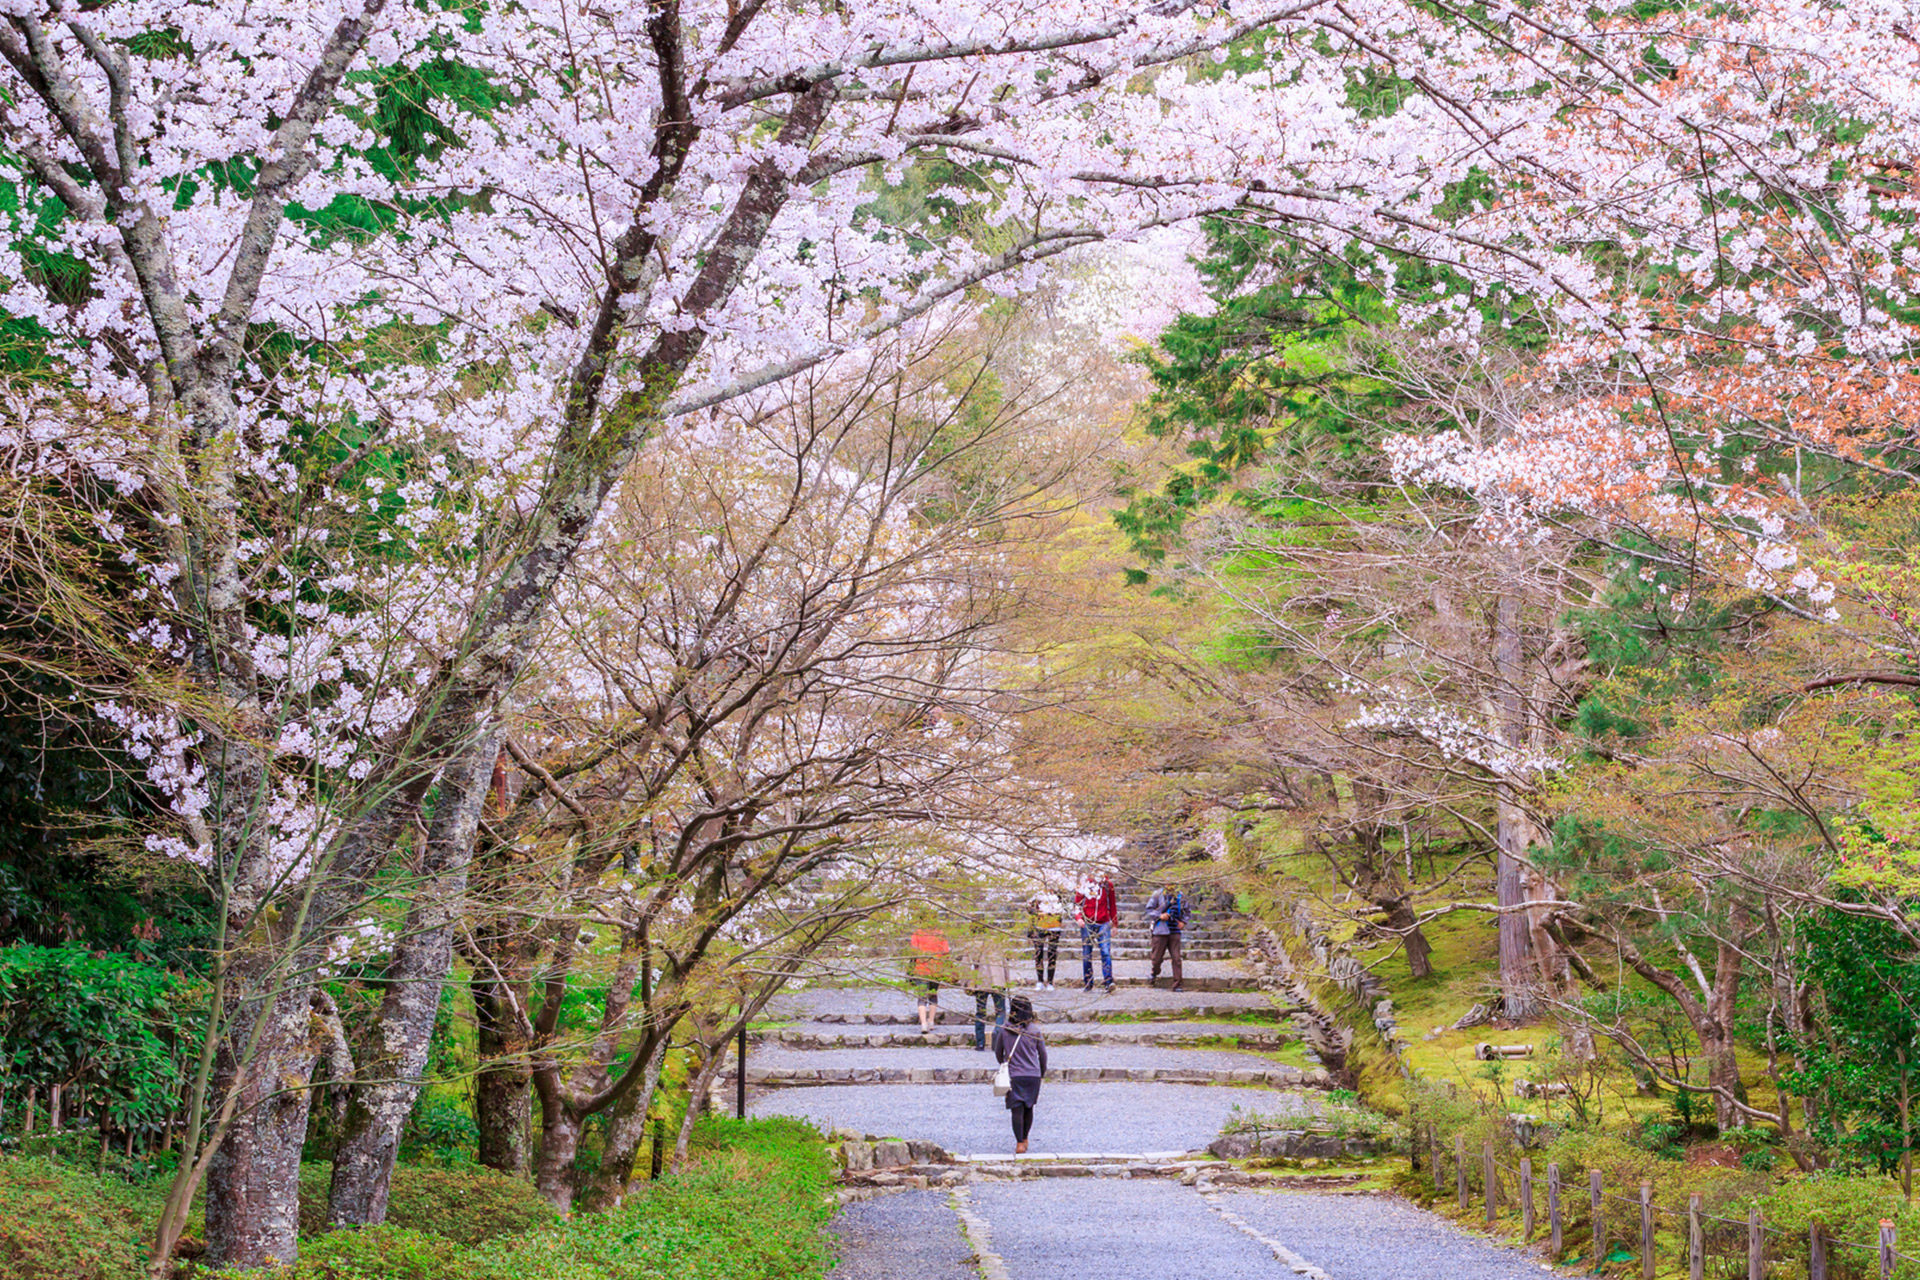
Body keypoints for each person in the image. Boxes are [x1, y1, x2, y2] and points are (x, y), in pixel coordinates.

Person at [992, 994, 1049, 1154]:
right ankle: (1025, 1138)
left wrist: (1004, 1064)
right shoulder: (1034, 1031)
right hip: (1033, 1074)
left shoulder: (1005, 1030)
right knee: (1029, 1107)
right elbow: (1042, 1054)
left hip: (1014, 1074)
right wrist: (1042, 1072)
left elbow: (998, 1052)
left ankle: (1019, 1143)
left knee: (1016, 1109)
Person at [956, 929, 1010, 1051]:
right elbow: (1005, 963)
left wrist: (965, 983)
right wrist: (1007, 980)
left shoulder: (971, 946)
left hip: (981, 982)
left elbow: (965, 966)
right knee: (1000, 1011)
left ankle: (980, 1043)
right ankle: (997, 1035)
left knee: (980, 1012)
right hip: (998, 981)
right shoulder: (997, 943)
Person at [1073, 870, 1117, 992]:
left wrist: (1115, 924)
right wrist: (1079, 918)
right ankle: (1088, 982)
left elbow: (1112, 905)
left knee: (1105, 951)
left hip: (1103, 922)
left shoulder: (1108, 885)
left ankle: (1108, 981)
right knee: (1087, 953)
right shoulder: (1083, 885)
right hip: (1087, 922)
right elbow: (1077, 904)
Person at [1143, 882, 1187, 991]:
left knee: (1176, 958)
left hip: (1174, 930)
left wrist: (1184, 922)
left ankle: (1177, 983)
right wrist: (1159, 915)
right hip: (1160, 930)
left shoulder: (1181, 896)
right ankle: (1154, 972)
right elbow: (1149, 910)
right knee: (1156, 958)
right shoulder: (1157, 894)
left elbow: (1187, 911)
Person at [907, 925, 950, 1035]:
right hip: (936, 968)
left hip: (921, 968)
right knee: (933, 994)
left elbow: (913, 951)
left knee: (922, 996)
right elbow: (946, 951)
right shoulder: (940, 934)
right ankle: (931, 1021)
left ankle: (923, 1023)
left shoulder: (917, 934)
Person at [1026, 886, 1064, 991]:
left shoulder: (1058, 895)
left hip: (1054, 926)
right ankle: (1040, 981)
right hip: (1040, 926)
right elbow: (1029, 908)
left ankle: (1050, 981)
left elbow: (1065, 907)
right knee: (1039, 953)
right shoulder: (1038, 896)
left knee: (1052, 953)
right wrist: (1038, 913)